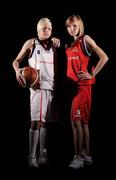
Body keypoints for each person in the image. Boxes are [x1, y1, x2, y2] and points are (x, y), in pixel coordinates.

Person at [12, 17, 60, 168]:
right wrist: (17, 72)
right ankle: (31, 157)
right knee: (35, 123)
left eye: (49, 29)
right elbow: (16, 61)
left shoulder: (54, 44)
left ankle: (42, 154)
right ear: (38, 30)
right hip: (37, 87)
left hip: (51, 87)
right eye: (44, 28)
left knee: (46, 123)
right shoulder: (31, 42)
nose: (47, 31)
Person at [64, 15, 109, 169]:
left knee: (75, 122)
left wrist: (92, 74)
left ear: (80, 26)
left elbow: (104, 57)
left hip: (83, 87)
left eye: (74, 26)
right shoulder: (69, 45)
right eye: (69, 26)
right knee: (83, 123)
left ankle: (77, 158)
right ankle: (87, 155)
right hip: (74, 88)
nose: (72, 29)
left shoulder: (85, 39)